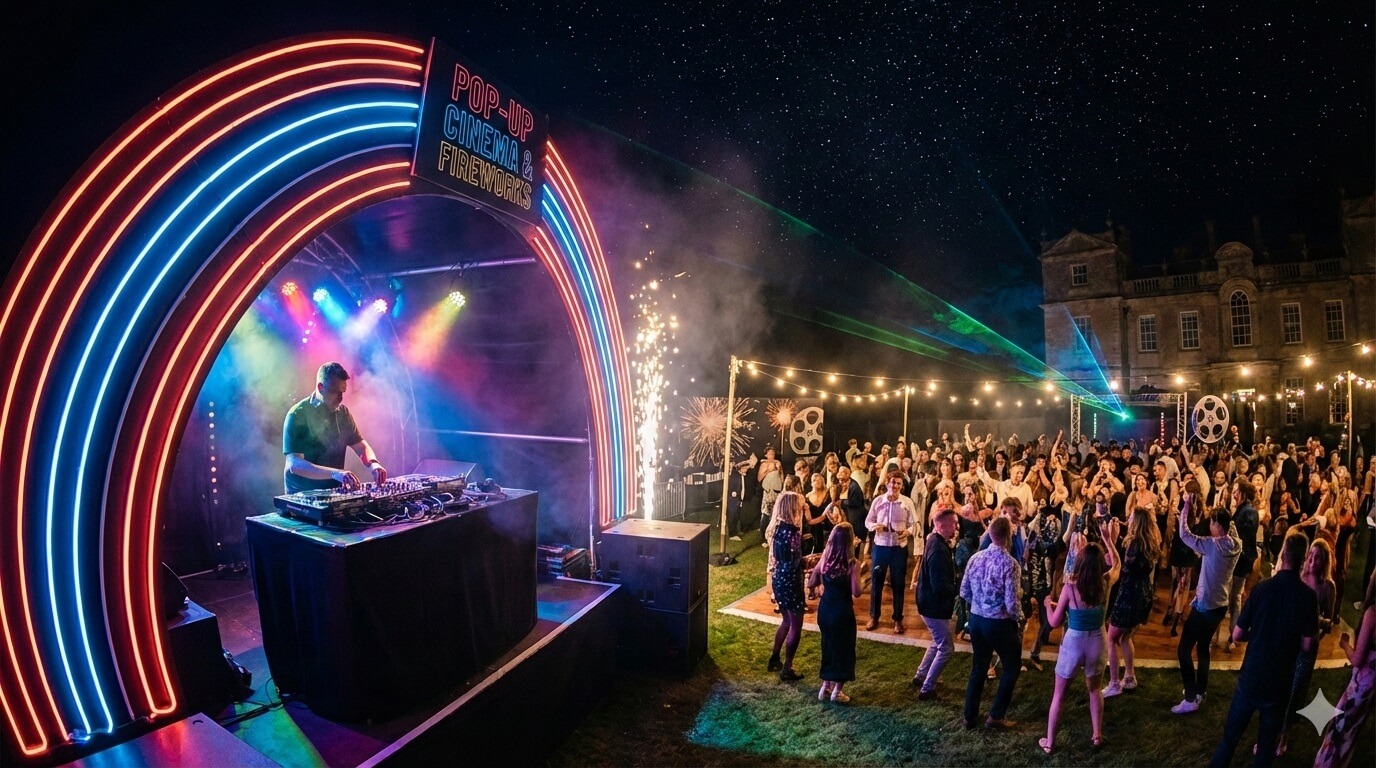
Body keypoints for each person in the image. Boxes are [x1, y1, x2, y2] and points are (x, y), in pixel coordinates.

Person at [1207, 532, 1318, 768]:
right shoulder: (1308, 597)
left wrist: (1258, 634)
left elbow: (1237, 634)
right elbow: (1308, 645)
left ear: (1283, 555)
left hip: (1252, 675)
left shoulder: (1261, 589)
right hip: (1280, 682)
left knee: (1229, 740)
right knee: (1266, 749)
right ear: (1304, 558)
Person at [1039, 536, 1122, 754]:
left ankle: (1050, 742)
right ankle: (1097, 735)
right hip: (1097, 642)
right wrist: (1109, 540)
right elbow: (1117, 564)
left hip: (1074, 643)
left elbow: (1054, 622)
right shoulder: (1106, 583)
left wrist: (1047, 605)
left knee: (1059, 695)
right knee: (1095, 690)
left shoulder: (1070, 588)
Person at [1173, 505, 1243, 714]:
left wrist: (1185, 509)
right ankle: (1200, 690)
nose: (1209, 525)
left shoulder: (1212, 545)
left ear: (1217, 525)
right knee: (1203, 647)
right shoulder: (1236, 543)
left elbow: (1185, 535)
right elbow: (1231, 527)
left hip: (1205, 606)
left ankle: (1190, 698)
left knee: (1184, 649)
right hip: (1220, 605)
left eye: (1212, 522)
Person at [283, 361, 387, 493]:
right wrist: (335, 473)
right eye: (334, 392)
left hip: (333, 490)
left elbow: (360, 446)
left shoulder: (343, 413)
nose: (340, 398)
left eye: (342, 392)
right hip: (302, 494)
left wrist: (373, 463)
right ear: (320, 387)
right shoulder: (297, 414)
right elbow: (294, 464)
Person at [1273, 537, 1336, 756]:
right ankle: (1273, 729)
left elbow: (1329, 621)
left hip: (1307, 648)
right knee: (1281, 687)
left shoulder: (1327, 587)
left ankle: (1284, 735)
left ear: (1324, 561)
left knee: (1295, 691)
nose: (1312, 561)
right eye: (1310, 556)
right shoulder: (1298, 578)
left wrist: (1316, 634)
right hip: (1289, 641)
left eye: (1318, 558)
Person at [960, 516, 1023, 731]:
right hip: (999, 623)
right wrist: (1019, 617)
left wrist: (979, 604)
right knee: (1012, 667)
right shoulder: (1010, 564)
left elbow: (964, 591)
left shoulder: (975, 558)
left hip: (977, 620)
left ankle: (969, 717)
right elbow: (1011, 603)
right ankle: (996, 715)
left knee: (979, 667)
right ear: (1008, 536)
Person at [1315, 572, 1376, 768]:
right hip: (1372, 686)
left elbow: (1358, 659)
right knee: (1352, 731)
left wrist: (1345, 645)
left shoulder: (1372, 613)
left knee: (1339, 729)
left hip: (1361, 684)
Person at [1104, 506, 1160, 697]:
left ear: (1137, 522)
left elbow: (1121, 567)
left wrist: (1109, 540)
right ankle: (1129, 677)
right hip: (1143, 594)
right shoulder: (1149, 543)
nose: (1128, 519)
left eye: (1131, 517)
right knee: (1126, 637)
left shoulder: (1135, 543)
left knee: (1111, 638)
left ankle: (1114, 683)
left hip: (1130, 595)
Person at [809, 523, 863, 703]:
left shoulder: (825, 558)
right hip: (841, 611)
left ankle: (825, 686)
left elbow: (812, 582)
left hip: (825, 610)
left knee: (828, 647)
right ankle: (837, 691)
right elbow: (856, 592)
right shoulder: (852, 564)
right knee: (844, 650)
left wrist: (823, 584)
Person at [913, 506, 959, 699]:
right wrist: (958, 589)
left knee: (937, 640)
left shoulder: (933, 540)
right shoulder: (938, 550)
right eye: (954, 523)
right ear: (942, 525)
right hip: (933, 607)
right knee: (946, 648)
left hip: (927, 603)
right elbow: (939, 586)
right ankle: (927, 689)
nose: (957, 527)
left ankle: (921, 675)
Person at [865, 472, 917, 633]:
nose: (895, 486)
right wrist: (875, 526)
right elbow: (868, 521)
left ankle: (898, 619)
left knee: (898, 584)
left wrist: (908, 531)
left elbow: (915, 524)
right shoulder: (878, 501)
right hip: (880, 546)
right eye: (893, 482)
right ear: (887, 483)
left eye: (898, 484)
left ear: (901, 486)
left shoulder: (907, 502)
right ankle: (874, 616)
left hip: (898, 547)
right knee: (877, 582)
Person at [767, 491, 807, 682]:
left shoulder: (777, 529)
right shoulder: (792, 533)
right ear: (792, 508)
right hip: (791, 581)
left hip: (779, 579)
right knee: (796, 625)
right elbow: (794, 562)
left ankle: (774, 658)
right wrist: (807, 562)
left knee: (786, 621)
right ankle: (787, 667)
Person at [757, 447, 784, 540]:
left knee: (776, 512)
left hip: (777, 490)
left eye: (773, 453)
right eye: (770, 453)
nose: (772, 455)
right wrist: (769, 470)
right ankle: (763, 536)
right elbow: (759, 478)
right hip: (768, 491)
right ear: (766, 455)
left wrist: (779, 470)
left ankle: (774, 533)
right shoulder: (764, 464)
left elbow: (781, 475)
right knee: (766, 513)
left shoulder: (778, 463)